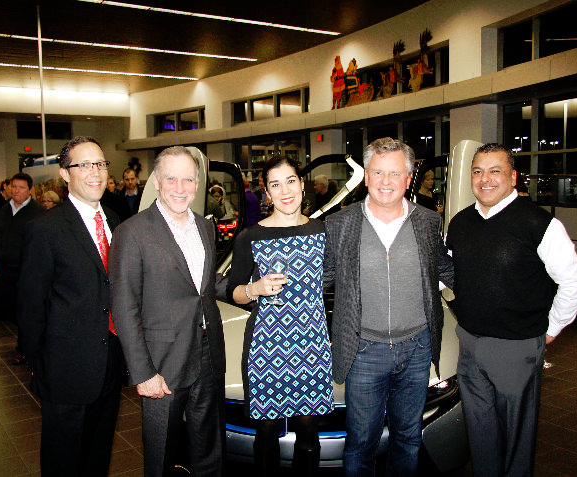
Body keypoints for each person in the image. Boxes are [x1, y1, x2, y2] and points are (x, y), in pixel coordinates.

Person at [445, 143, 577, 477]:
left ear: (512, 176)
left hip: (516, 347)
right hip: (469, 344)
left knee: (515, 436)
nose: (485, 179)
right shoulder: (461, 222)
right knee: (479, 431)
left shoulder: (538, 223)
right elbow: (448, 273)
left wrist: (550, 329)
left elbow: (574, 282)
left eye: (495, 171)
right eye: (478, 171)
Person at [323, 137, 454, 477]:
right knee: (361, 443)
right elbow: (319, 278)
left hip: (417, 349)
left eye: (395, 173)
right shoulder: (340, 224)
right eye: (378, 172)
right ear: (366, 176)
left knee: (408, 438)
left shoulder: (428, 222)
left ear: (408, 179)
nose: (385, 181)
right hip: (364, 351)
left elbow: (445, 269)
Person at [109, 146, 226, 477]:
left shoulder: (204, 226)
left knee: (210, 449)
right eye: (171, 178)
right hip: (162, 360)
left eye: (188, 179)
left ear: (197, 183)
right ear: (157, 181)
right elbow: (124, 306)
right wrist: (143, 372)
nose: (180, 187)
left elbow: (203, 284)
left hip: (207, 352)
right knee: (161, 453)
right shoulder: (132, 232)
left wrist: (248, 288)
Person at [16, 136, 124, 477]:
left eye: (101, 163)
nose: (96, 172)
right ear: (65, 174)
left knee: (98, 453)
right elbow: (31, 305)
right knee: (63, 459)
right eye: (85, 165)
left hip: (110, 361)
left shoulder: (116, 221)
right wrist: (38, 363)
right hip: (64, 368)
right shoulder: (46, 229)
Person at [228, 156, 334, 476]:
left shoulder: (321, 230)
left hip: (311, 343)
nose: (285, 190)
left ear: (302, 185)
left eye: (291, 181)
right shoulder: (250, 236)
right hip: (267, 346)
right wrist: (256, 288)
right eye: (276, 184)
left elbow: (335, 278)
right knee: (266, 433)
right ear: (267, 193)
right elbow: (233, 290)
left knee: (308, 433)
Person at [0, 172, 44, 364]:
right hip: (6, 268)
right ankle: (25, 342)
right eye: (13, 186)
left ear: (29, 190)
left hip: (27, 270)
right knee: (7, 308)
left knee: (25, 311)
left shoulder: (37, 213)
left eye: (20, 187)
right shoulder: (4, 209)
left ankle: (26, 348)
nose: (16, 190)